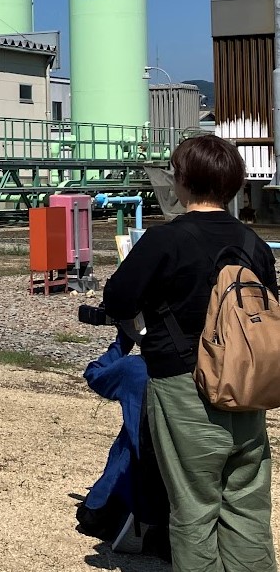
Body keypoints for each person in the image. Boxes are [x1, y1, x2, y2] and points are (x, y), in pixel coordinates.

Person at [102, 134, 278, 572]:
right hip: (247, 385)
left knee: (194, 508)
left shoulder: (164, 241)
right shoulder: (253, 243)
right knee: (247, 506)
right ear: (233, 183)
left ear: (182, 181)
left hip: (184, 385)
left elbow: (118, 298)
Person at [77, 330, 171, 560]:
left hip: (138, 475)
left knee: (88, 518)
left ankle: (138, 514)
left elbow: (94, 374)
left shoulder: (135, 368)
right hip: (184, 482)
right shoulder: (203, 373)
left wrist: (122, 343)